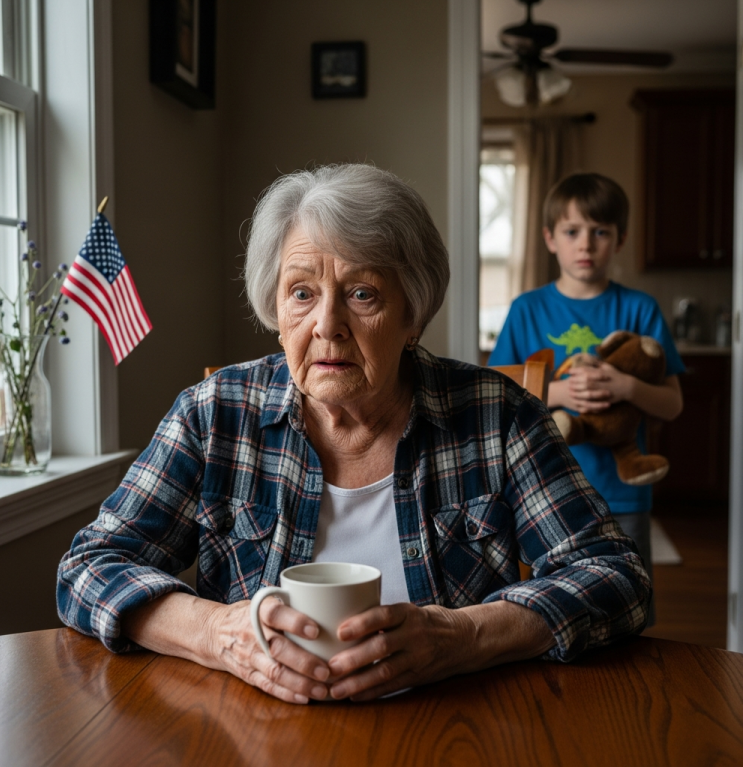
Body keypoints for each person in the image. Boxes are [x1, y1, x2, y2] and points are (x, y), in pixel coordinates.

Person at [57, 164, 651, 705]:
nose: (327, 325)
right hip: (254, 734)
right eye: (302, 293)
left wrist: (463, 635)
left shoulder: (498, 416)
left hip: (453, 731)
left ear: (413, 313)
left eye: (363, 293)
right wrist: (217, 633)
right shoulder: (214, 415)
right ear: (276, 306)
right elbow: (88, 567)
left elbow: (616, 577)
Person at [489, 172, 684, 626]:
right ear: (549, 239)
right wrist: (558, 391)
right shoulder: (527, 309)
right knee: (548, 608)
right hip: (540, 491)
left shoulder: (640, 309)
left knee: (630, 608)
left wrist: (627, 387)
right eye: (572, 231)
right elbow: (499, 391)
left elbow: (672, 405)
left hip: (623, 491)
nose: (586, 244)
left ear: (620, 240)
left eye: (600, 232)